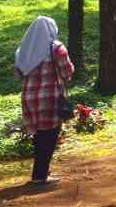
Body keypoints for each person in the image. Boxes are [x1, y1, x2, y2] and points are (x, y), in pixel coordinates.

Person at [15, 16, 75, 186]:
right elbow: (67, 71)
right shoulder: (56, 48)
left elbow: (19, 74)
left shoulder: (23, 50)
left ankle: (40, 172)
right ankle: (40, 176)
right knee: (49, 136)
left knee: (39, 136)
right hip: (50, 98)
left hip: (29, 98)